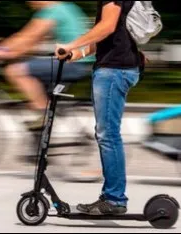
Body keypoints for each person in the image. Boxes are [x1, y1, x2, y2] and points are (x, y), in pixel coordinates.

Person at [55, 1, 141, 215]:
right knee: (106, 134)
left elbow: (107, 27)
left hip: (114, 70)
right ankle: (112, 196)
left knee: (108, 135)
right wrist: (78, 54)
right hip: (116, 68)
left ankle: (114, 199)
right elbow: (107, 35)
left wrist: (72, 44)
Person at [0, 1, 93, 130]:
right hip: (81, 62)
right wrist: (1, 50)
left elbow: (30, 37)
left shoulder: (52, 10)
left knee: (15, 70)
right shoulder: (66, 7)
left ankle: (43, 111)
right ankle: (43, 117)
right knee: (36, 84)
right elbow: (27, 39)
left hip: (73, 63)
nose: (30, 3)